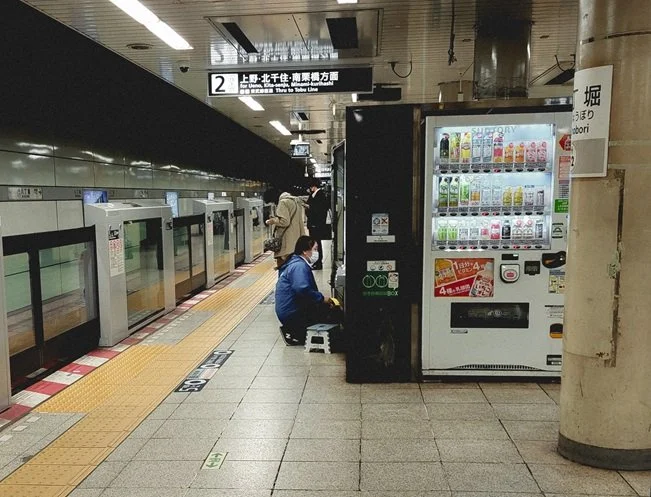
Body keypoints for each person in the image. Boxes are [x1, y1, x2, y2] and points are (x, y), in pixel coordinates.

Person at [275, 236, 337, 345]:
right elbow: (301, 289)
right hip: (293, 313)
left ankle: (295, 331)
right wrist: (322, 299)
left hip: (288, 311)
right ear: (304, 251)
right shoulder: (299, 266)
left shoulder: (294, 262)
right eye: (315, 249)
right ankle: (296, 332)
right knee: (331, 311)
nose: (316, 253)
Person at [263, 187, 306, 269]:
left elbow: (285, 221)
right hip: (296, 237)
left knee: (283, 264)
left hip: (287, 238)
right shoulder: (294, 200)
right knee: (293, 263)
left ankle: (284, 281)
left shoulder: (283, 202)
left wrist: (272, 220)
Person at [305, 178, 329, 270]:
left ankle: (318, 263)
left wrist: (308, 208)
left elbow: (318, 211)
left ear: (313, 186)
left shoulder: (320, 195)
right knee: (315, 243)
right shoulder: (315, 195)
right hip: (315, 224)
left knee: (316, 243)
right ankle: (317, 262)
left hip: (317, 225)